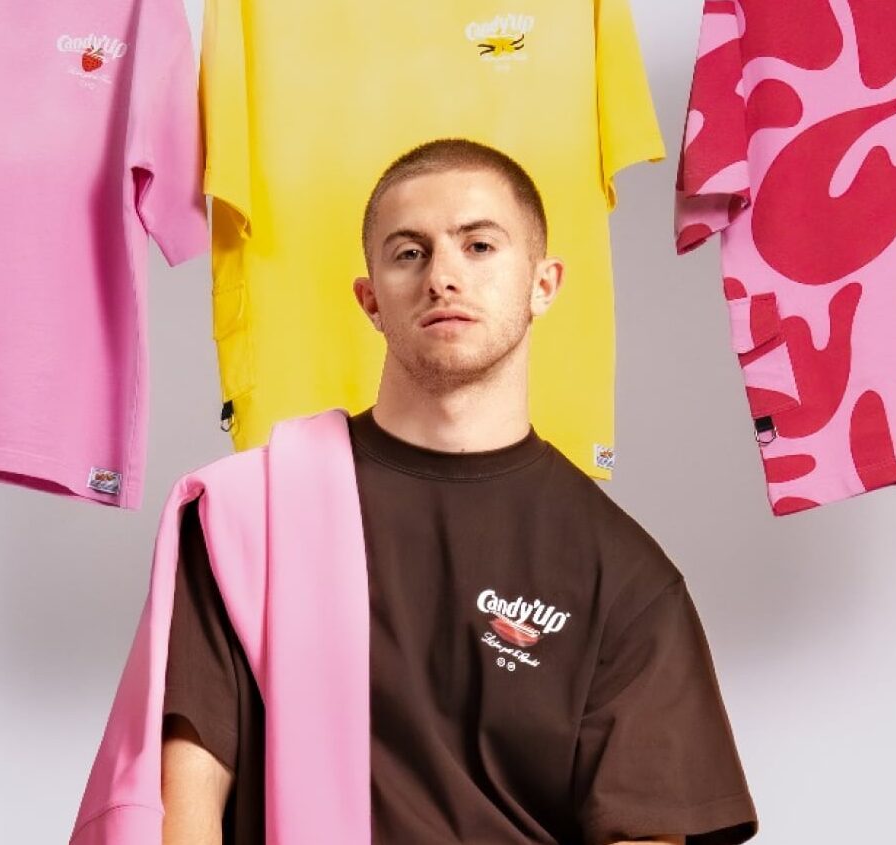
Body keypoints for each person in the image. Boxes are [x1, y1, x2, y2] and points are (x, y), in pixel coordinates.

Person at [119, 139, 757, 845]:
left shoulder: (626, 577)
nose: (442, 278)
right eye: (408, 253)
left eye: (479, 246)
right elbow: (186, 789)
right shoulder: (247, 518)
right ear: (370, 300)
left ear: (543, 284)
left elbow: (646, 834)